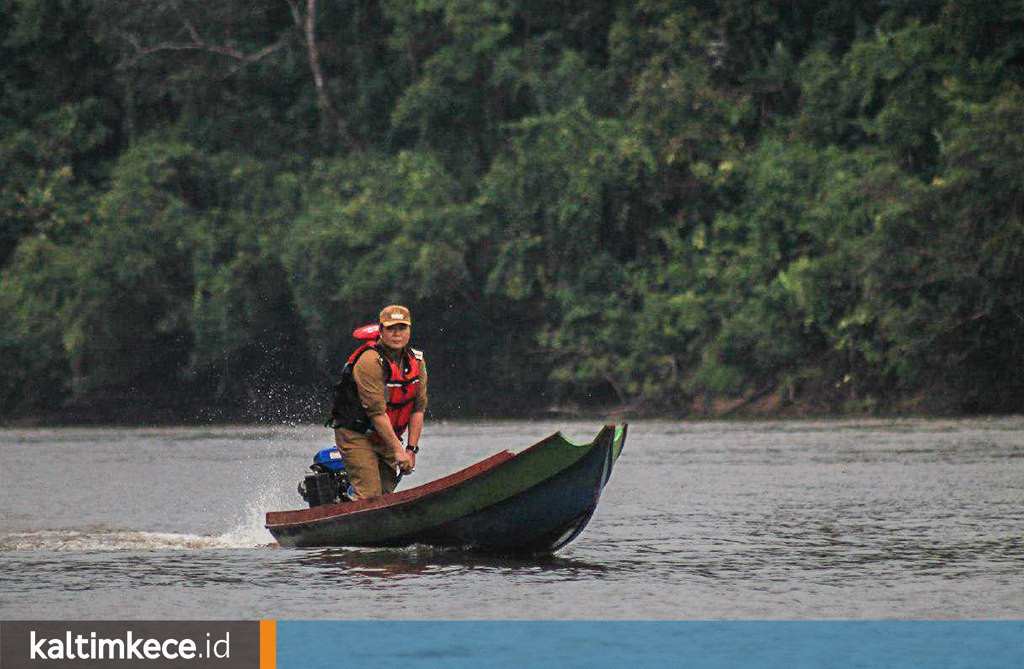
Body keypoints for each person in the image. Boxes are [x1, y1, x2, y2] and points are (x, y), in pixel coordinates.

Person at [326, 304, 427, 500]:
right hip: (356, 433)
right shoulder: (370, 362)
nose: (397, 334)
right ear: (381, 331)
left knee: (385, 494)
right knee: (370, 496)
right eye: (391, 329)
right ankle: (350, 522)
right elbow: (376, 412)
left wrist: (411, 449)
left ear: (409, 330)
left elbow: (418, 409)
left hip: (385, 436)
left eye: (402, 328)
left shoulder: (418, 361)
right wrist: (398, 451)